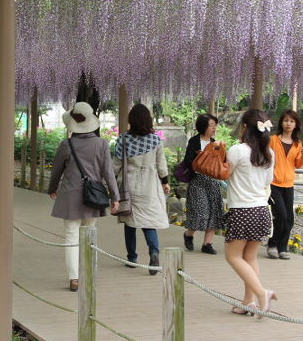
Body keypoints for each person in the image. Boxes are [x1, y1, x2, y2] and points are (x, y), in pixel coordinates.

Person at [48, 102, 120, 292]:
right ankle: (88, 273)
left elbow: (57, 170)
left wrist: (52, 188)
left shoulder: (67, 144)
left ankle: (74, 278)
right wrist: (115, 197)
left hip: (70, 196)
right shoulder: (102, 144)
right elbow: (108, 173)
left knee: (71, 236)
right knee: (89, 235)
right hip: (93, 196)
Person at [224, 109, 276, 317]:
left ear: (245, 127)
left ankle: (262, 293)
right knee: (250, 257)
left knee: (233, 256)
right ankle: (248, 302)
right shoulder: (269, 153)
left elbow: (225, 175)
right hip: (261, 210)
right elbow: (267, 182)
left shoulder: (237, 150)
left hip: (241, 211)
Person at [113, 104, 170, 275]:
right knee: (148, 221)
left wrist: (108, 182)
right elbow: (161, 165)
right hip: (149, 184)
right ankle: (154, 251)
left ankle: (132, 258)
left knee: (130, 221)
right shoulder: (156, 140)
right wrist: (165, 181)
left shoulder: (123, 139)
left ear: (131, 120)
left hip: (130, 184)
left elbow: (115, 165)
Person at [266, 110, 303, 260]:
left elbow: (297, 164)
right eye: (286, 121)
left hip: (289, 184)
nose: (288, 124)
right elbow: (266, 159)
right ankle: (272, 244)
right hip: (274, 183)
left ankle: (282, 247)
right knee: (281, 216)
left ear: (296, 124)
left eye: (291, 121)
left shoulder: (298, 143)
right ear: (281, 123)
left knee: (289, 218)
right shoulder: (273, 140)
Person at [182, 113, 223, 254]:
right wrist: (200, 157)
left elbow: (219, 161)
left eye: (215, 125)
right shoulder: (194, 141)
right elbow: (187, 161)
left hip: (212, 181)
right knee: (201, 212)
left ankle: (207, 244)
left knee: (214, 212)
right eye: (211, 125)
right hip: (197, 180)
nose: (214, 128)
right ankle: (188, 234)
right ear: (203, 126)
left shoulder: (215, 143)